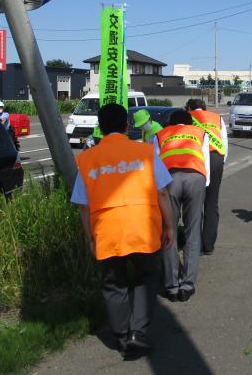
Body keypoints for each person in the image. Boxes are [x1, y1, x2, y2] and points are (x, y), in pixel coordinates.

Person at [70, 103, 175, 360]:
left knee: (113, 283)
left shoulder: (86, 159)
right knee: (146, 277)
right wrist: (170, 225)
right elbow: (162, 192)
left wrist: (90, 237)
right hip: (144, 229)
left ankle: (121, 335)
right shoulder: (146, 153)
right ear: (127, 127)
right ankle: (138, 333)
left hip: (107, 231)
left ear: (101, 128)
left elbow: (83, 207)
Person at [154, 110, 210, 302]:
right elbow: (206, 163)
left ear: (171, 123)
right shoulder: (200, 133)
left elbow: (155, 165)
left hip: (169, 180)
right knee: (193, 230)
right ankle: (188, 285)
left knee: (169, 231)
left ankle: (171, 286)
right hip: (196, 178)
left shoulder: (161, 134)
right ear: (188, 123)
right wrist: (202, 186)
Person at [185, 98, 228, 255]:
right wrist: (221, 162)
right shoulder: (216, 117)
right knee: (211, 202)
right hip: (216, 159)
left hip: (196, 160)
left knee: (194, 203)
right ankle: (208, 245)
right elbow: (224, 142)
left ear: (189, 108)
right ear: (204, 108)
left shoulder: (187, 117)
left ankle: (193, 243)